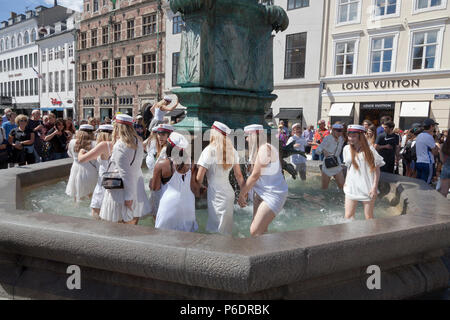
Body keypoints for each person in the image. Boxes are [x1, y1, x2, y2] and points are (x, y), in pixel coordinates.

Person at [238, 124, 288, 237]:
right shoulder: (258, 151)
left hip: (273, 194)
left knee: (254, 231)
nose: (246, 139)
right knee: (261, 231)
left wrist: (242, 194)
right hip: (261, 193)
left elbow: (255, 175)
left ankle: (280, 247)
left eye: (247, 135)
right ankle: (265, 252)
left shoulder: (265, 148)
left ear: (256, 136)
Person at [100, 114, 151, 224]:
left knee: (119, 226)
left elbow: (125, 174)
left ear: (118, 128)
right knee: (133, 222)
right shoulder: (138, 142)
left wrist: (128, 197)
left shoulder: (120, 145)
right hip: (137, 185)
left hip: (122, 190)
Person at [196, 121, 245, 235]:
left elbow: (199, 177)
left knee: (215, 229)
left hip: (215, 194)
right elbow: (239, 176)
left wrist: (201, 186)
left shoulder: (208, 150)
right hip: (229, 193)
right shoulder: (232, 151)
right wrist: (243, 194)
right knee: (226, 230)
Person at [153, 132, 202, 232]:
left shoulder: (162, 164)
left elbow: (155, 188)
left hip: (170, 205)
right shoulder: (191, 163)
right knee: (186, 239)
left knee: (164, 237)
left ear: (169, 146)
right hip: (188, 204)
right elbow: (194, 188)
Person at [343, 125, 385, 220]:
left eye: (354, 136)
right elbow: (349, 167)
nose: (350, 138)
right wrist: (346, 182)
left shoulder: (370, 150)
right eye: (349, 135)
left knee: (368, 217)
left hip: (368, 187)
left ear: (360, 136)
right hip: (351, 186)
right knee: (348, 216)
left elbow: (377, 170)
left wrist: (374, 187)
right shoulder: (346, 149)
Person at [78, 124, 114, 219]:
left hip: (103, 183)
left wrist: (81, 152)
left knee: (96, 212)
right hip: (114, 182)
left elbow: (82, 159)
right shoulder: (117, 144)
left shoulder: (104, 145)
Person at [144, 123, 174, 216]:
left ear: (169, 136)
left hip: (164, 186)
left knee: (159, 213)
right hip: (156, 185)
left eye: (163, 134)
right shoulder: (156, 148)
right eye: (159, 134)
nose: (160, 137)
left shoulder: (167, 150)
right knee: (155, 213)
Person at [65, 124, 98, 202]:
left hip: (75, 169)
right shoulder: (95, 144)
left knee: (76, 194)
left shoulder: (72, 142)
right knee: (91, 195)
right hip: (90, 170)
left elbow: (70, 154)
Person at [316, 123, 345, 190]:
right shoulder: (327, 138)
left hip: (337, 164)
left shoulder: (341, 139)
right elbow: (318, 150)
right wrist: (323, 151)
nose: (339, 132)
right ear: (333, 130)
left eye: (341, 130)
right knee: (324, 188)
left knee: (342, 187)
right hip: (327, 165)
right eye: (337, 130)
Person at [415, 119, 440, 184]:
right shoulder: (428, 136)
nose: (434, 127)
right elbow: (435, 152)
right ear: (431, 126)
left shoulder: (419, 135)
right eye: (434, 126)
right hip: (427, 163)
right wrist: (436, 146)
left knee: (419, 183)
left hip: (419, 161)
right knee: (426, 184)